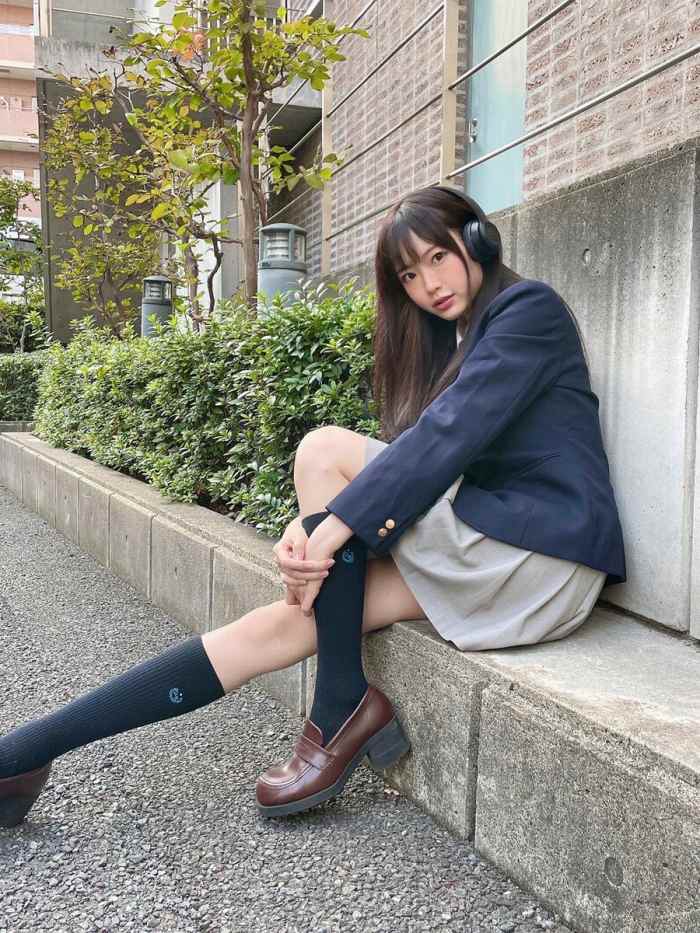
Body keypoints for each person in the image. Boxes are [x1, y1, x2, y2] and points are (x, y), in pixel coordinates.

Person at [0, 184, 626, 828]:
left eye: (438, 257)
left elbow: (448, 437)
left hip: (540, 555)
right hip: (489, 544)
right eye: (409, 275)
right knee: (291, 619)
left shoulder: (529, 310)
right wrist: (311, 532)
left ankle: (338, 704)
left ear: (477, 239)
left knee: (323, 452)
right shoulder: (456, 337)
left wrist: (331, 529)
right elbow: (421, 455)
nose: (428, 285)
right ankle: (23, 755)